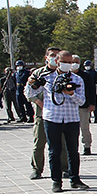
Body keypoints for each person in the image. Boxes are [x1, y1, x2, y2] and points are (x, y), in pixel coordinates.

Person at [26, 50, 88, 193]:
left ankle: (75, 178)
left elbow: (82, 101)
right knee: (54, 151)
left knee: (73, 150)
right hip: (52, 118)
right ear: (57, 62)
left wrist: (71, 93)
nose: (67, 64)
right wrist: (31, 83)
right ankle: (56, 181)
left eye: (70, 62)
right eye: (64, 62)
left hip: (71, 118)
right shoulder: (47, 77)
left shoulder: (77, 80)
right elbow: (30, 94)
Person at [28, 47, 64, 179]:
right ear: (46, 58)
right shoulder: (38, 73)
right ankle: (37, 169)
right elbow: (28, 91)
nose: (54, 57)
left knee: (62, 143)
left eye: (57, 55)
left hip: (60, 115)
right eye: (52, 55)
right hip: (41, 114)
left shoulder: (63, 72)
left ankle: (64, 168)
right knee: (39, 143)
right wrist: (37, 101)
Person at [73, 55, 97, 155]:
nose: (74, 64)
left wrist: (92, 104)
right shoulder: (66, 75)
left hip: (83, 106)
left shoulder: (85, 76)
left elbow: (92, 91)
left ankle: (87, 146)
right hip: (70, 107)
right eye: (72, 62)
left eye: (76, 62)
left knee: (84, 128)